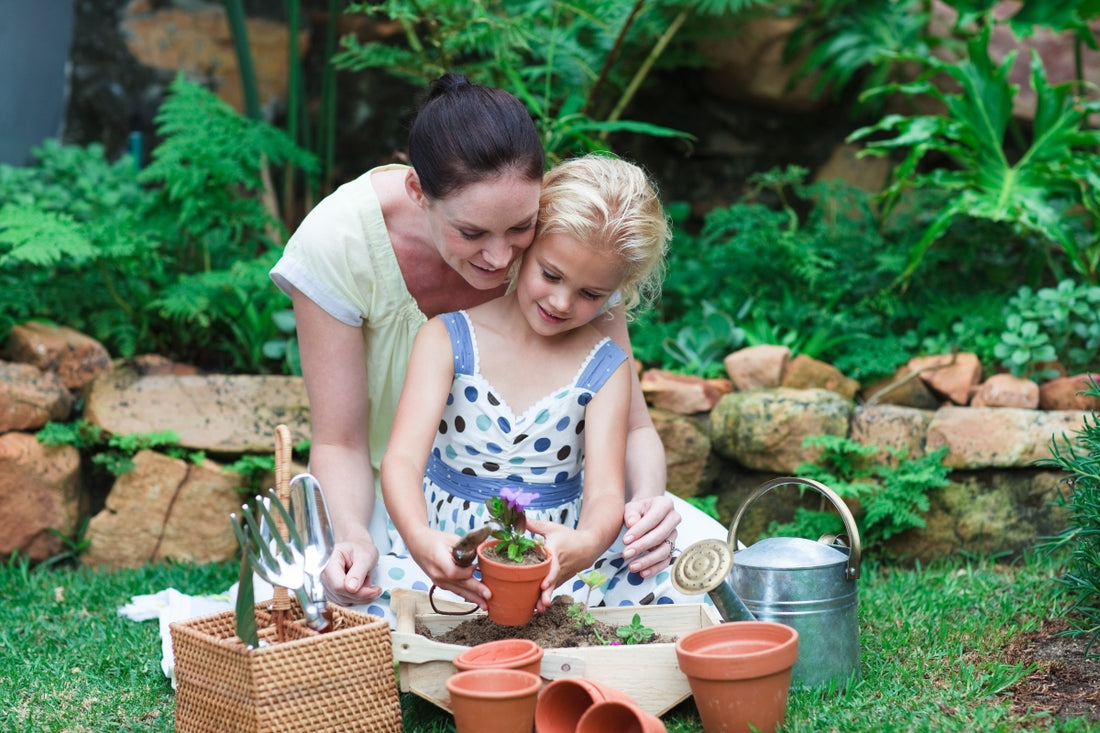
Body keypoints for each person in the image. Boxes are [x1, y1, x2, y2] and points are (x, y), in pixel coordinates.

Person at [269, 73, 722, 621]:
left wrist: (645, 507)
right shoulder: (341, 244)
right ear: (418, 192)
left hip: (561, 517)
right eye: (472, 234)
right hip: (393, 500)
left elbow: (632, 429)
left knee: (707, 569)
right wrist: (355, 538)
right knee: (335, 595)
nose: (501, 258)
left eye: (520, 229)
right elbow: (341, 443)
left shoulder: (574, 246)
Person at [380, 154, 677, 612]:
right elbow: (401, 459)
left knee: (660, 596)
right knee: (365, 597)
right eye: (551, 274)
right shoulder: (448, 338)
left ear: (619, 290)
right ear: (526, 245)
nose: (561, 302)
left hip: (553, 567)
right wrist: (420, 539)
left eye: (591, 294)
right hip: (449, 556)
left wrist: (585, 544)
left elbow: (603, 493)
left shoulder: (605, 367)